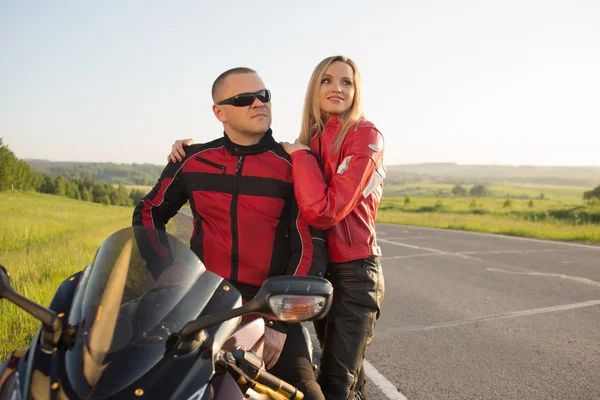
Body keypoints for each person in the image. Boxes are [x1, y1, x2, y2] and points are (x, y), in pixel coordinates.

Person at [168, 55, 385, 400]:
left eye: (347, 82)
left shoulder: (363, 134)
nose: (337, 88)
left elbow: (324, 211)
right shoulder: (310, 138)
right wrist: (186, 150)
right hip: (324, 272)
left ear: (357, 91)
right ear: (314, 89)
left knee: (335, 383)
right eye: (327, 81)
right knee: (342, 372)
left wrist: (299, 156)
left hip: (356, 269)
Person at [133, 67, 327, 399]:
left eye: (263, 96)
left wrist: (280, 323)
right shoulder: (192, 160)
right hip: (200, 307)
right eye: (244, 99)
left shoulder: (292, 165)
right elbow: (148, 212)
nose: (258, 104)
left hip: (267, 310)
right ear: (219, 112)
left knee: (308, 394)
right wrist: (166, 269)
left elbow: (310, 246)